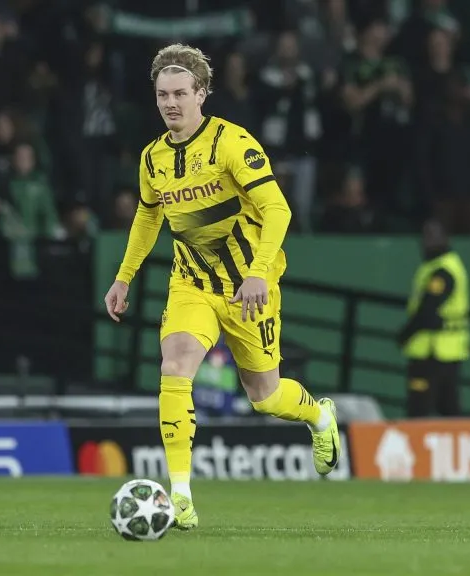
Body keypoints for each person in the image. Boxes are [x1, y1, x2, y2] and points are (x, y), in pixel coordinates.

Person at [102, 44, 340, 530]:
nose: (171, 103)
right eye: (162, 94)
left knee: (265, 396)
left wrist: (258, 269)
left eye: (180, 93)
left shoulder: (232, 143)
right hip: (191, 284)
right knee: (176, 361)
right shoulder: (152, 160)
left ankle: (319, 417)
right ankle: (181, 496)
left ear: (201, 94)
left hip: (249, 287)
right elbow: (149, 216)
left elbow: (279, 210)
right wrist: (124, 276)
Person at [396, 220, 470, 417]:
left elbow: (428, 309)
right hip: (444, 352)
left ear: (446, 238)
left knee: (420, 409)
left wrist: (405, 334)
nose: (427, 241)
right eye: (425, 236)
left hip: (432, 351)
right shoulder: (438, 266)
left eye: (433, 236)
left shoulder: (443, 271)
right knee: (448, 409)